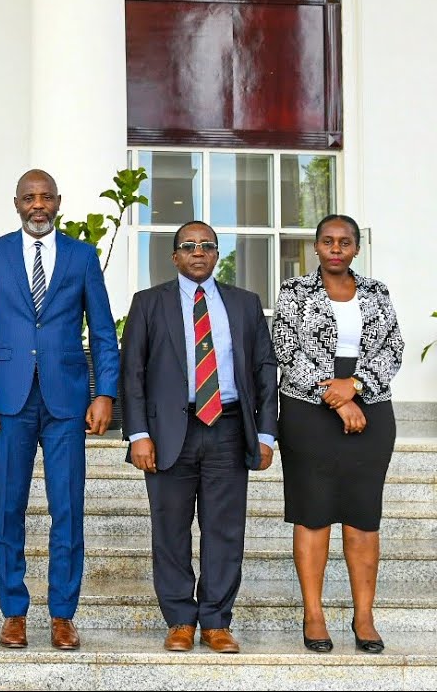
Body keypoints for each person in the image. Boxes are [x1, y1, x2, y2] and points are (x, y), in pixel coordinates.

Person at [0, 169, 119, 651]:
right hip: (8, 400)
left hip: (66, 400)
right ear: (16, 203)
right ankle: (13, 612)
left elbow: (103, 331)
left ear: (58, 202)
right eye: (29, 197)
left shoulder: (81, 256)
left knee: (67, 508)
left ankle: (62, 614)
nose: (37, 205)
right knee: (9, 508)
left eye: (45, 197)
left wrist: (105, 393)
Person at [120, 221, 278, 654]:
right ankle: (179, 621)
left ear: (217, 255)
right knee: (170, 529)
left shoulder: (245, 304)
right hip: (169, 432)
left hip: (228, 427)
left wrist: (266, 433)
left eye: (207, 245)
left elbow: (265, 369)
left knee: (224, 530)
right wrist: (138, 434)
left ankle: (216, 621)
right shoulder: (149, 303)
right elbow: (132, 372)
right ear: (174, 257)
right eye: (188, 246)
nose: (198, 252)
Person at [271, 214, 403, 655]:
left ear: (356, 249)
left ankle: (364, 616)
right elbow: (286, 348)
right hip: (308, 410)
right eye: (327, 241)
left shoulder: (377, 292)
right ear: (316, 246)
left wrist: (357, 386)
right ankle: (314, 614)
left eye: (344, 242)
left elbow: (393, 347)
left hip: (372, 408)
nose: (335, 248)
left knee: (363, 515)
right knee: (313, 513)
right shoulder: (294, 291)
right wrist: (339, 399)